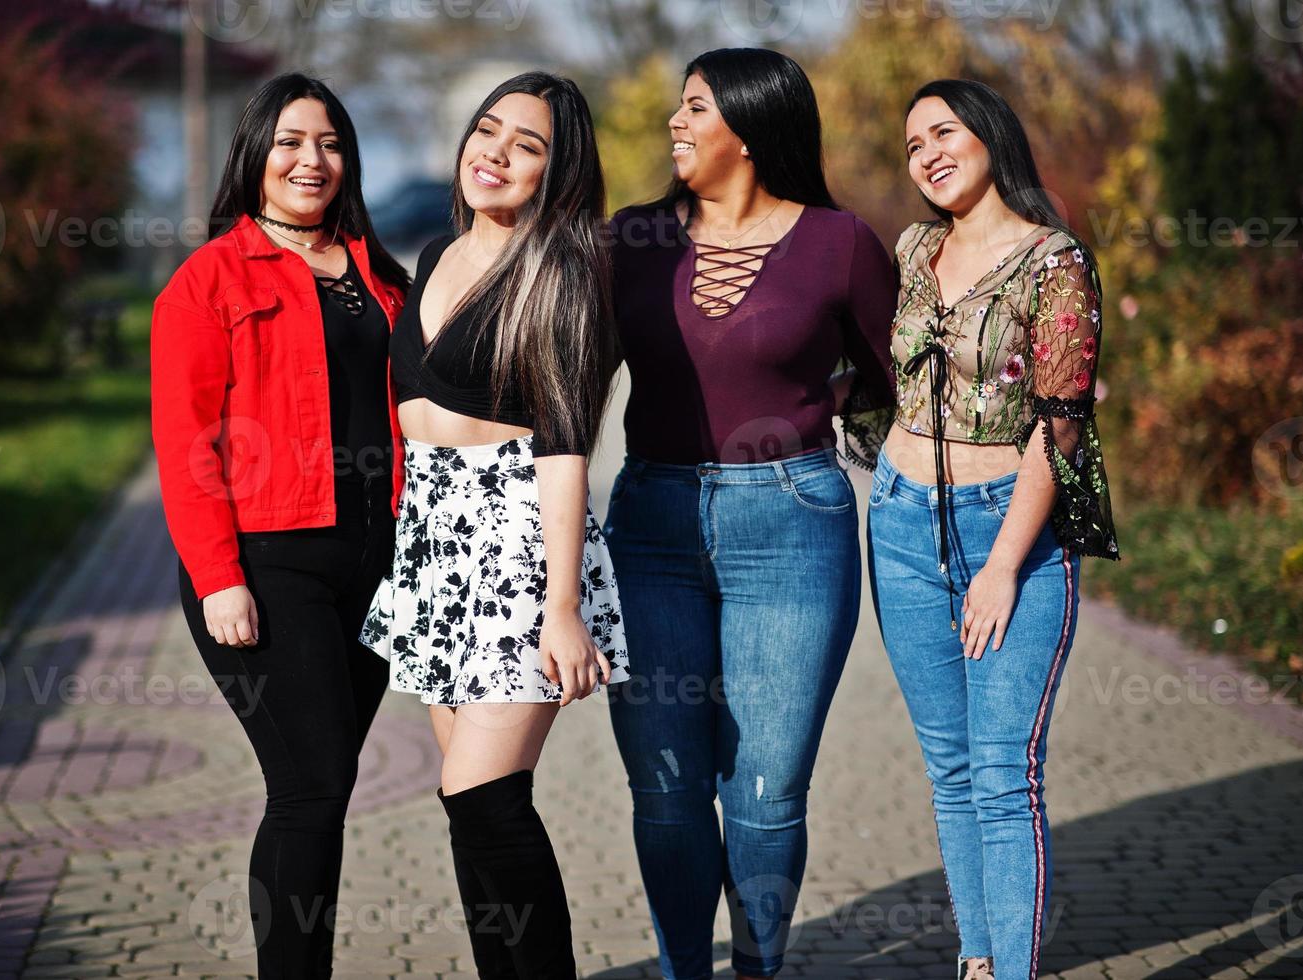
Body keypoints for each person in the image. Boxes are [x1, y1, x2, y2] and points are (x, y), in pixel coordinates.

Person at [604, 47, 898, 980]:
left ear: (748, 124)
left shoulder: (837, 240)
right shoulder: (632, 238)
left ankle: (757, 970)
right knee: (667, 790)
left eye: (693, 108)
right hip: (649, 524)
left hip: (792, 529)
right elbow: (564, 378)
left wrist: (823, 408)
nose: (674, 124)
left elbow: (899, 378)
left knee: (767, 794)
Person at [359, 71, 629, 979]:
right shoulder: (434, 256)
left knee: (483, 802)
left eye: (528, 145)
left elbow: (563, 446)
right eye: (487, 130)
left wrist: (562, 609)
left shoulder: (560, 273)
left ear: (557, 173)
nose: (497, 153)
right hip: (436, 540)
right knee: (471, 809)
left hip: (516, 540)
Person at [149, 72, 411, 979]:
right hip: (269, 565)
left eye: (330, 143)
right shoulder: (207, 280)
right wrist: (219, 577)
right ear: (254, 152)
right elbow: (186, 445)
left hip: (375, 561)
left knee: (320, 793)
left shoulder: (378, 271)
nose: (312, 160)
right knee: (310, 787)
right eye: (292, 141)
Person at [869, 78, 1120, 980]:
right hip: (898, 522)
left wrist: (1004, 565)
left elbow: (1061, 429)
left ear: (989, 136)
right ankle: (975, 961)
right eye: (911, 145)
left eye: (943, 132)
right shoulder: (912, 248)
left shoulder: (1054, 261)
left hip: (1005, 530)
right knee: (948, 768)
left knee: (1003, 774)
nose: (927, 153)